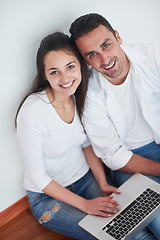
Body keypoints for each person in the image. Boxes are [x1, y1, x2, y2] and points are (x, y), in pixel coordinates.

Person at [15, 31, 120, 240]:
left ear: (80, 64)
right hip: (46, 197)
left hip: (85, 179)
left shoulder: (80, 95)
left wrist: (102, 182)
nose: (65, 78)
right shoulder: (32, 112)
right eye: (54, 72)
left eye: (70, 67)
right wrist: (86, 205)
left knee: (125, 221)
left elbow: (86, 144)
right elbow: (37, 177)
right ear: (45, 75)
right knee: (107, 234)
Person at [69, 13, 160, 240]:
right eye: (92, 55)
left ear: (118, 36)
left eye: (106, 45)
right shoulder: (88, 95)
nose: (104, 59)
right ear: (85, 60)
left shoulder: (153, 56)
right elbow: (114, 156)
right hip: (133, 162)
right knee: (156, 219)